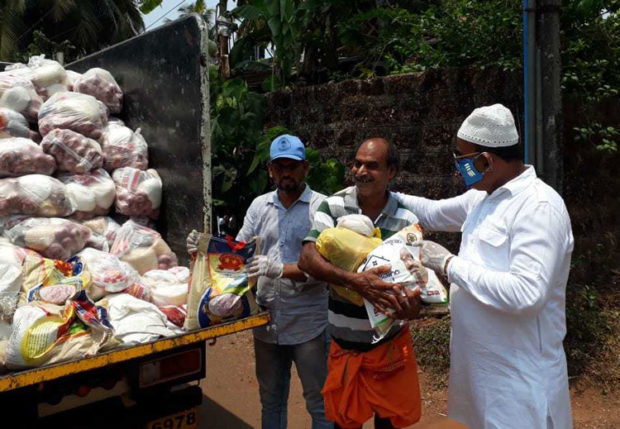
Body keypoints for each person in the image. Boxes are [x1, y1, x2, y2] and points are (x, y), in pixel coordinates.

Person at [397, 104, 574, 428]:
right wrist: (382, 195)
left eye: (463, 159)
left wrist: (448, 264)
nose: (458, 167)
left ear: (486, 160)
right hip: (485, 379)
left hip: (520, 387)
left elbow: (526, 294)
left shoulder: (538, 207)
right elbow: (433, 212)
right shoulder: (483, 197)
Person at [187, 134, 332, 429]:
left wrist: (280, 269)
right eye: (279, 167)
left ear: (305, 168)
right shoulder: (259, 206)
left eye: (292, 166)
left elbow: (326, 267)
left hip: (308, 323)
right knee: (271, 400)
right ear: (270, 170)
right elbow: (237, 255)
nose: (285, 173)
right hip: (265, 321)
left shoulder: (323, 208)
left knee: (319, 403)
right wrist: (205, 250)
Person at [298, 137, 423, 429]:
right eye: (357, 163)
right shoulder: (334, 206)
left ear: (391, 171)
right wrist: (356, 282)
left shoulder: (407, 222)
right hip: (344, 348)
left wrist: (412, 306)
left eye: (372, 166)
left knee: (388, 425)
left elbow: (413, 286)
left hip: (389, 350)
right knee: (344, 424)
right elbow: (307, 258)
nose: (360, 171)